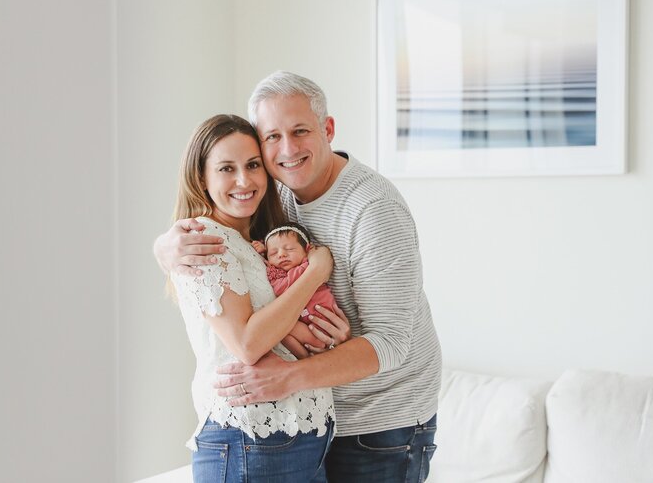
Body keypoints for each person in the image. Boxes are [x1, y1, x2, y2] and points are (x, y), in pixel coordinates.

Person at [154, 71, 443, 482]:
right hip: (309, 421)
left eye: (300, 131)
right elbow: (243, 283)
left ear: (327, 129)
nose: (286, 149)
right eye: (271, 137)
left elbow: (392, 342)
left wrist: (287, 377)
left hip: (380, 424)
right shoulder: (273, 195)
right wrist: (166, 248)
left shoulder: (374, 210)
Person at [169, 113, 342, 483]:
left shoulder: (260, 241)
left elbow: (274, 325)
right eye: (226, 169)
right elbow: (247, 343)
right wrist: (314, 273)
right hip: (251, 440)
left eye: (252, 166)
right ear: (202, 177)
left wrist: (328, 332)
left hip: (304, 437)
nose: (244, 181)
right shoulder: (206, 241)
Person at [252, 222, 342, 358]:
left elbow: (285, 286)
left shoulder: (306, 267)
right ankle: (305, 359)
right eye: (274, 252)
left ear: (307, 249)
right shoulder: (279, 275)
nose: (281, 254)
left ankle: (308, 359)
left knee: (280, 327)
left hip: (324, 328)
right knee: (280, 332)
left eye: (289, 249)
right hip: (309, 328)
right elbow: (279, 288)